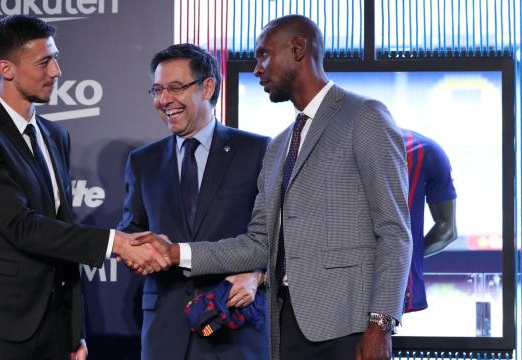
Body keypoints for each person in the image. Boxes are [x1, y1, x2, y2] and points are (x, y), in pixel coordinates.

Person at [135, 15, 412, 360]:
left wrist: (380, 324)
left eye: (263, 55)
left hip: (349, 328)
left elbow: (394, 231)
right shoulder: (280, 145)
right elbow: (258, 243)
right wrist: (176, 253)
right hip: (286, 331)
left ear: (298, 49)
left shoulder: (363, 115)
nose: (257, 69)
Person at [0, 15, 168, 360]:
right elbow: (21, 225)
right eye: (44, 61)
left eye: (56, 58)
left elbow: (61, 231)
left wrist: (73, 330)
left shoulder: (55, 135)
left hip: (52, 328)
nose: (57, 72)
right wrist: (117, 243)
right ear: (6, 68)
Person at [118, 43, 270, 360]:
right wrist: (135, 249)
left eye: (175, 88)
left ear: (208, 87)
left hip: (234, 329)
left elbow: (275, 239)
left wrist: (257, 275)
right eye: (157, 90)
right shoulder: (143, 162)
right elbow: (132, 229)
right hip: (165, 333)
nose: (164, 100)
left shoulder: (257, 151)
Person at [402, 129, 457, 313]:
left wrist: (399, 258)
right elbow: (447, 230)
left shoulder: (424, 150)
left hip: (391, 293)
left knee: (381, 330)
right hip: (334, 290)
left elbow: (447, 230)